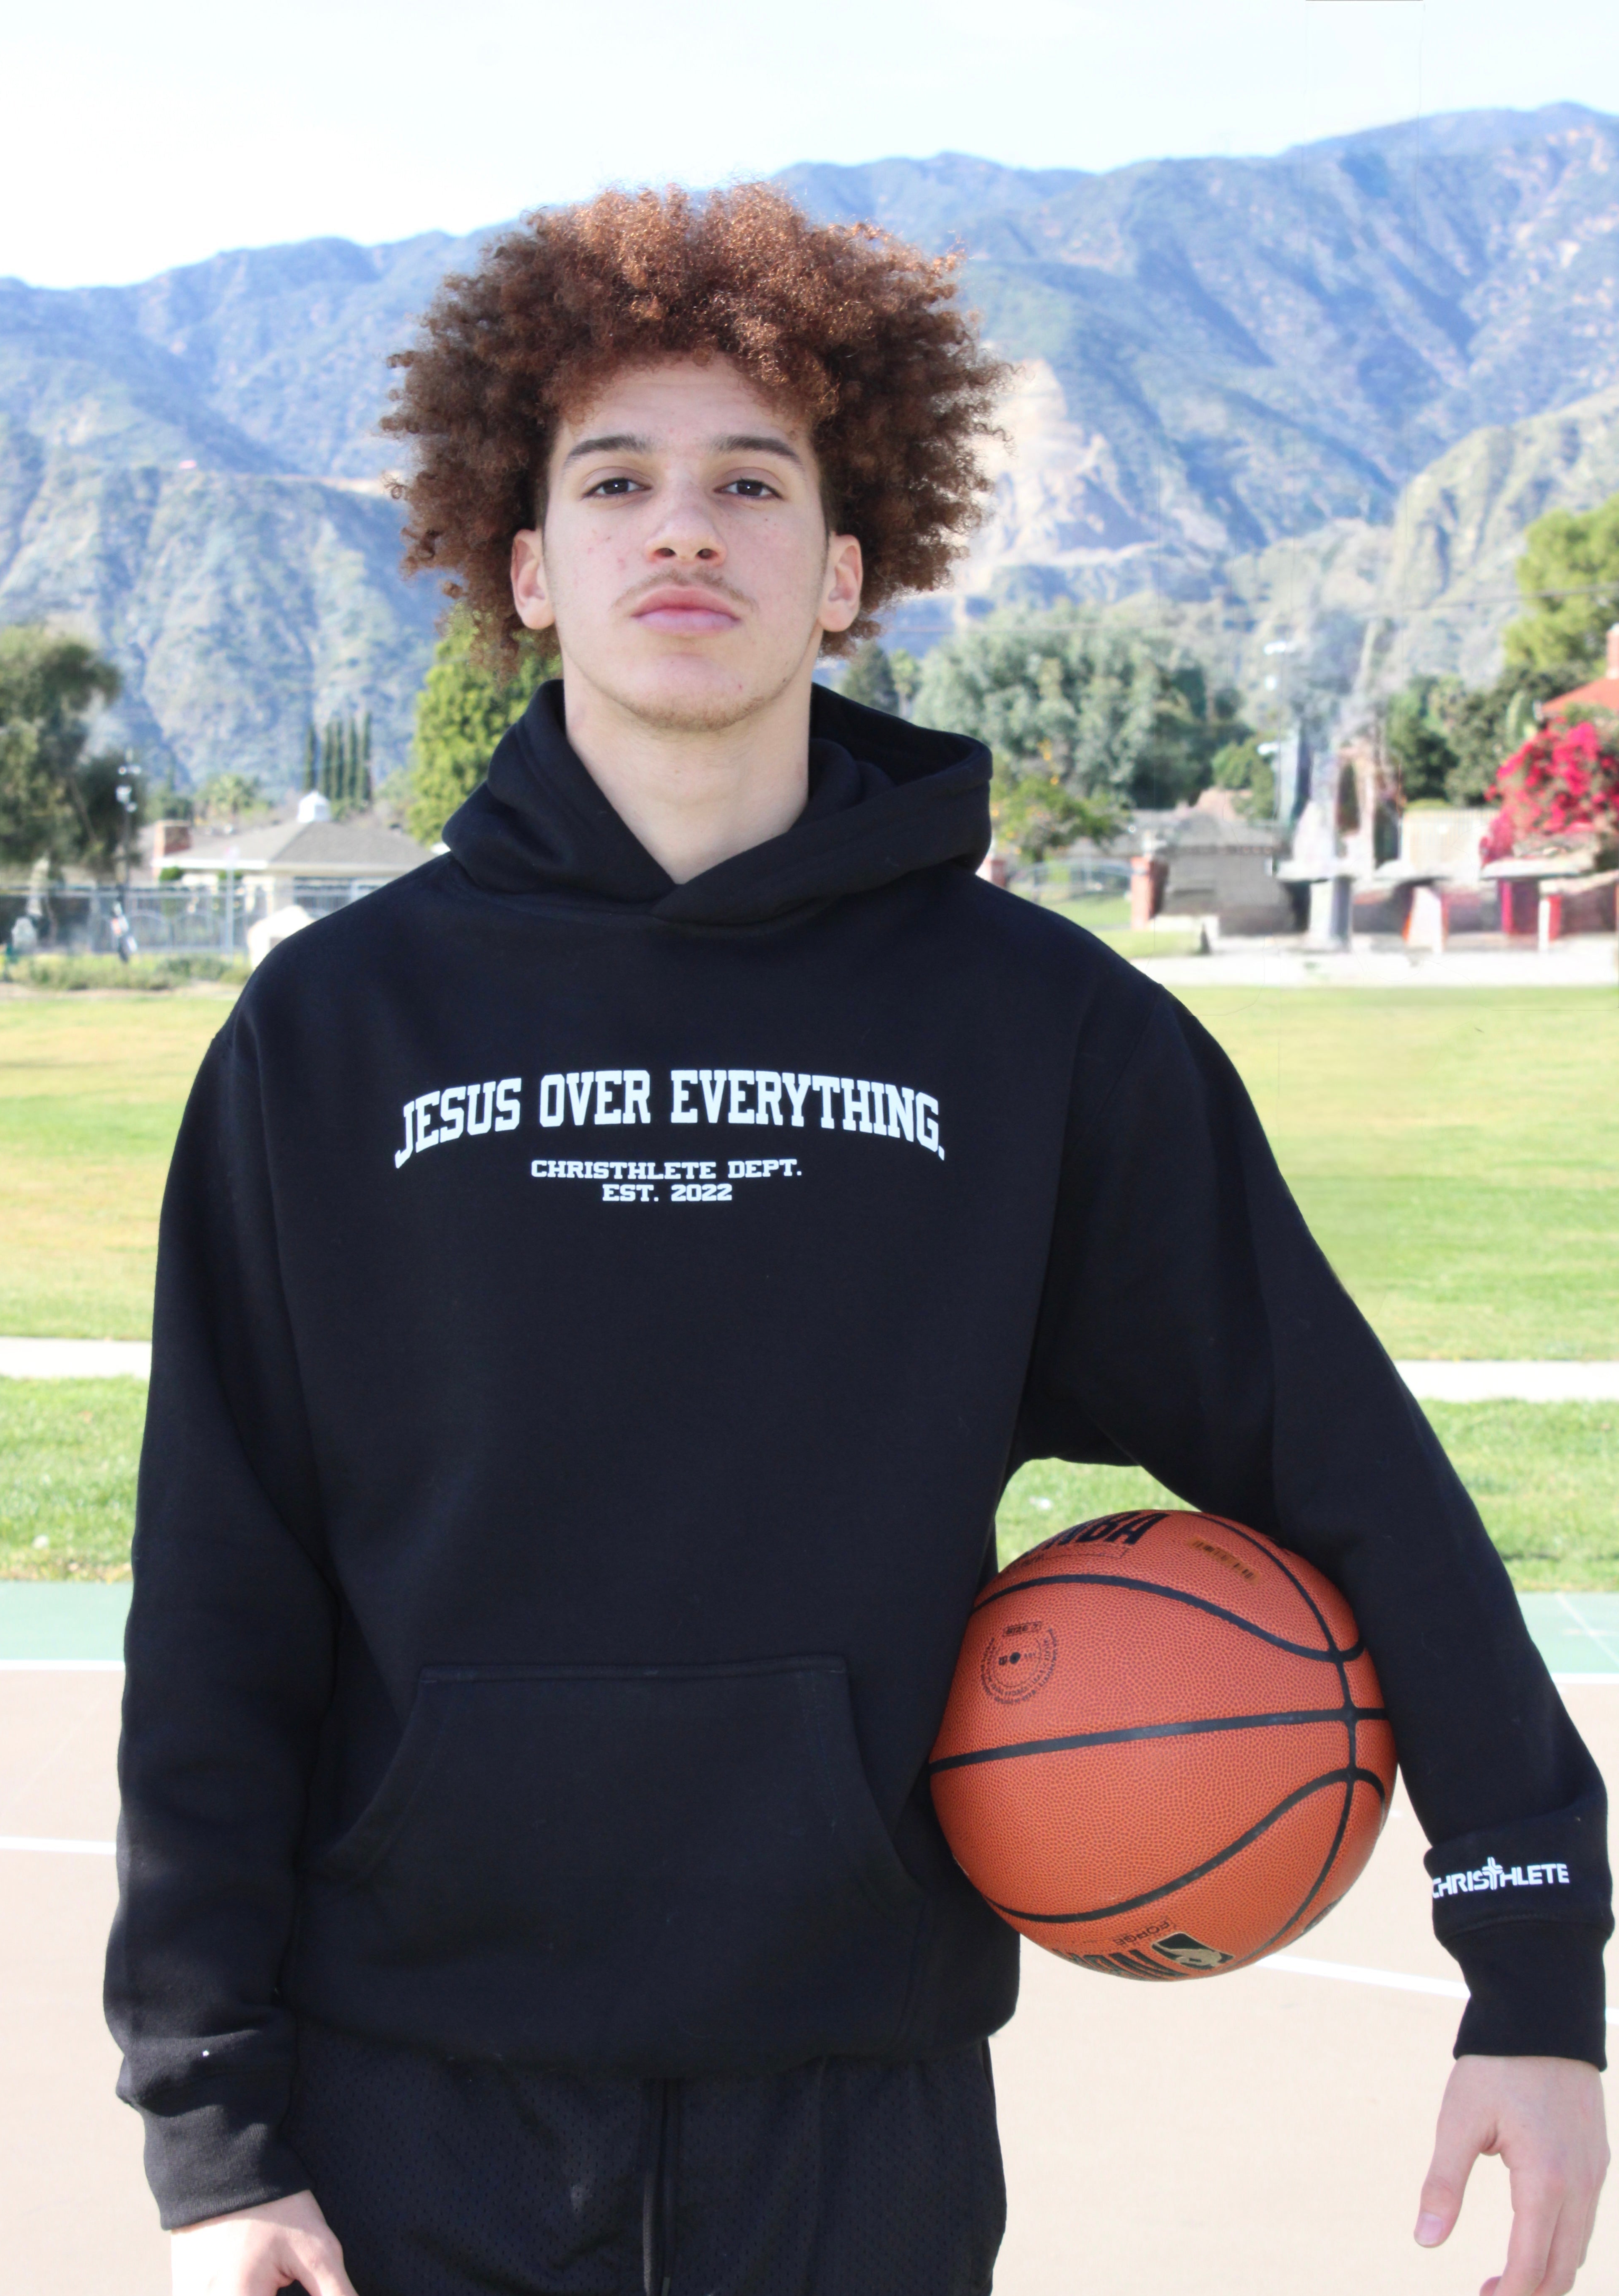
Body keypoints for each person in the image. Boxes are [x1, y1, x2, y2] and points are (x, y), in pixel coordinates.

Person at [107, 185, 1610, 2296]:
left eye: (752, 479)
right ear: (526, 565)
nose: (683, 527)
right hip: (398, 2116)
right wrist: (211, 2130)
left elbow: (1343, 1457)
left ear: (845, 571)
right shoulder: (334, 1038)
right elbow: (218, 1588)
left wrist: (1534, 1956)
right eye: (614, 478)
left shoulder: (1033, 1034)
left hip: (854, 2119)